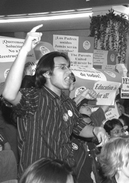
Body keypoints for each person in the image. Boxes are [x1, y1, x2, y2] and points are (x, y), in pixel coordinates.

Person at [1, 25, 108, 176]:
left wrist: (96, 129)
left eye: (69, 67)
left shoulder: (68, 103)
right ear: (46, 73)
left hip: (65, 173)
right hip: (40, 176)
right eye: (62, 67)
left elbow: (79, 126)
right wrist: (25, 49)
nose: (69, 72)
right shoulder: (34, 97)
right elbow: (9, 94)